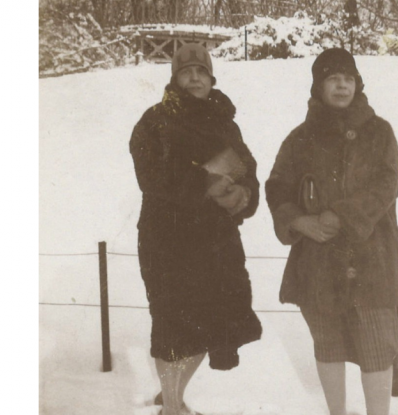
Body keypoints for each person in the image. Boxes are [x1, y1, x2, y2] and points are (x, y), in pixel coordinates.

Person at [265, 48, 398, 415]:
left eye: (348, 78)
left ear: (358, 84)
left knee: (376, 345)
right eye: (333, 78)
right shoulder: (299, 138)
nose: (342, 85)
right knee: (328, 343)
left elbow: (387, 185)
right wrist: (298, 220)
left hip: (371, 259)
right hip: (318, 259)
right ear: (319, 85)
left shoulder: (380, 132)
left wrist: (342, 215)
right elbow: (277, 186)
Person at [130, 43, 262, 415]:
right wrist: (208, 183)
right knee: (173, 330)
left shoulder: (225, 121)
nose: (194, 77)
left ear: (211, 78)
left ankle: (171, 393)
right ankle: (172, 408)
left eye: (201, 71)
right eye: (186, 71)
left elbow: (248, 168)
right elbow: (151, 176)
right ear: (175, 78)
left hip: (216, 246)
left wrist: (241, 194)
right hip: (168, 241)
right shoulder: (153, 121)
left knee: (209, 328)